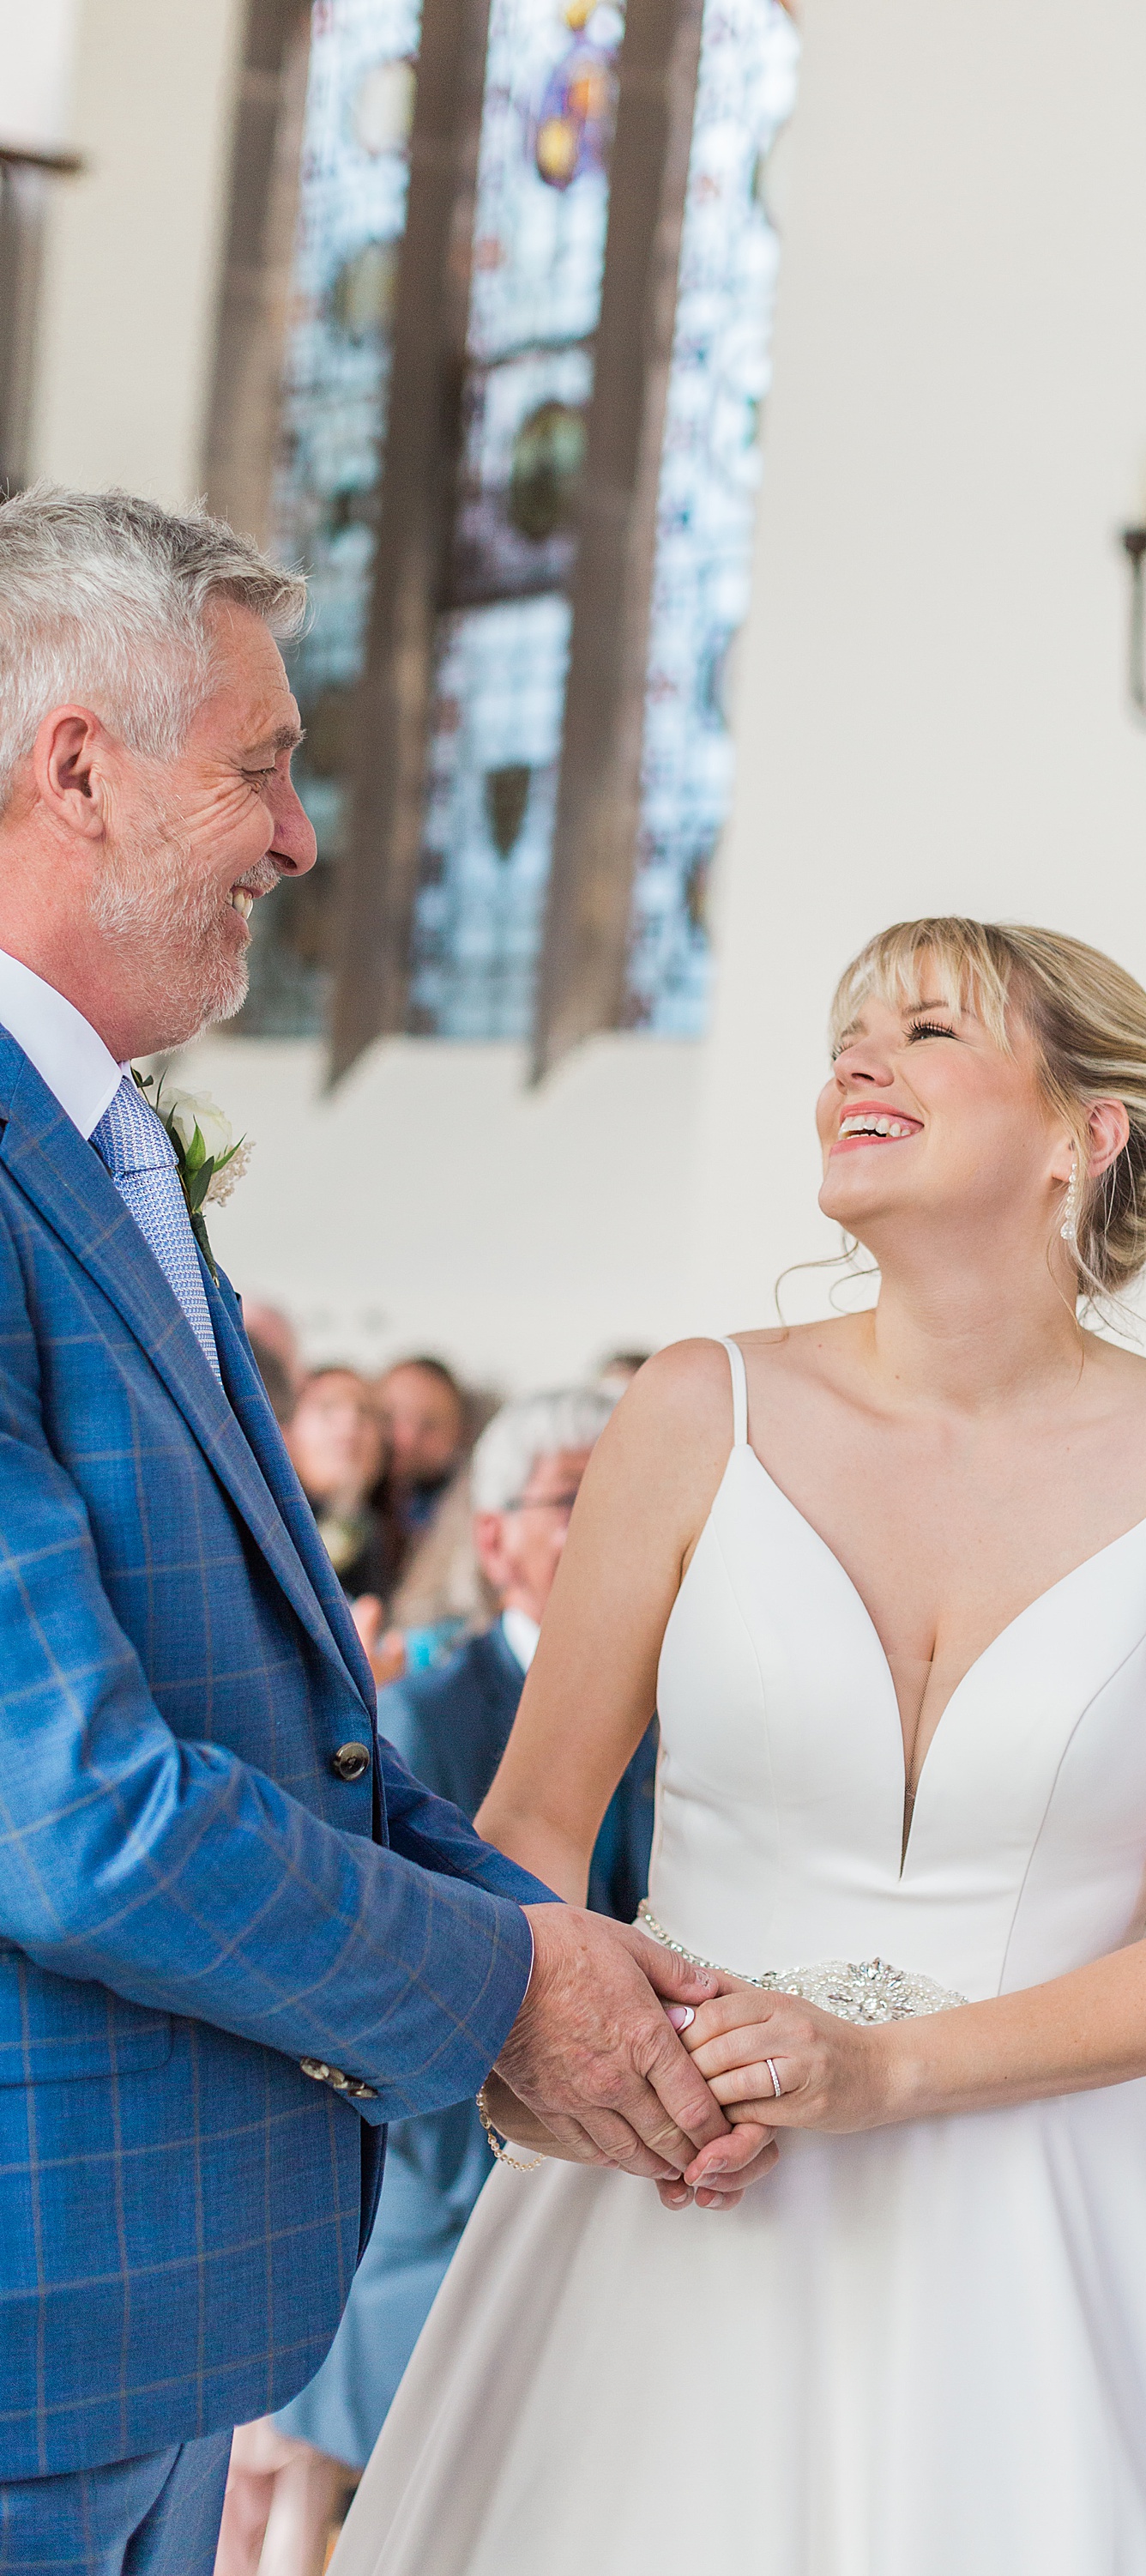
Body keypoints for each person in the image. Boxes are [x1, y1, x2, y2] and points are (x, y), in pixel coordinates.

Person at [335, 915, 1146, 2576]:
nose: (855, 1065)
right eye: (843, 1036)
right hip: (674, 2180)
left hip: (1031, 2226)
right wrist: (561, 2063)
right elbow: (535, 1823)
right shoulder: (693, 1405)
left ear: (1086, 1133)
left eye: (928, 1031)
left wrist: (891, 2069)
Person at [0, 487, 769, 2576]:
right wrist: (510, 1984)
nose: (298, 834)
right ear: (73, 764)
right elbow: (72, 1807)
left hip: (139, 2317)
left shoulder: (98, 1142)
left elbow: (277, 1723)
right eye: (260, 764)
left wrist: (550, 1959)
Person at [262, 1388, 657, 2485]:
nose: (623, 1523)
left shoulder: (693, 1705)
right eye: (579, 1497)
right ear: (494, 1538)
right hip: (454, 2180)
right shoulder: (428, 1712)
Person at [284, 1363, 395, 1599]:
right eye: (328, 1408)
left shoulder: (403, 1542)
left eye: (365, 1412)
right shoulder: (270, 1531)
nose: (349, 1424)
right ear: (286, 1435)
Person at [377, 1354, 468, 1544]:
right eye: (389, 1416)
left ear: (456, 1435)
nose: (406, 1438)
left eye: (429, 1425)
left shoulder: (460, 1513)